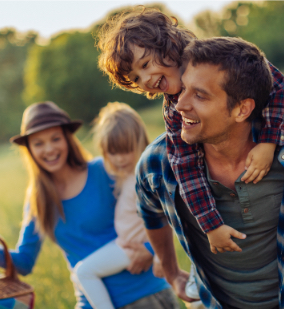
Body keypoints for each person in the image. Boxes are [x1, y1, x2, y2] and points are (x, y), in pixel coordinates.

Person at [97, 6, 284, 304]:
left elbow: (276, 86)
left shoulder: (221, 59)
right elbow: (184, 168)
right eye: (135, 77)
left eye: (146, 64)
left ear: (169, 45)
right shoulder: (172, 117)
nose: (145, 79)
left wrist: (269, 142)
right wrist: (209, 225)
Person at [0, 101, 177, 309]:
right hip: (90, 304)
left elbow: (160, 207)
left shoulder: (105, 171)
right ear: (29, 149)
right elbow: (24, 262)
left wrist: (151, 249)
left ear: (68, 139)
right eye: (38, 143)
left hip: (143, 296)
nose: (48, 149)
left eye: (55, 138)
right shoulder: (37, 200)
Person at [73, 102, 174, 309]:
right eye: (112, 152)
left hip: (132, 247)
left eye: (126, 150)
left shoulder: (143, 178)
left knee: (83, 272)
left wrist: (158, 255)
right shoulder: (124, 175)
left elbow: (168, 214)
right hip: (124, 242)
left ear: (139, 143)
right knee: (80, 274)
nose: (119, 159)